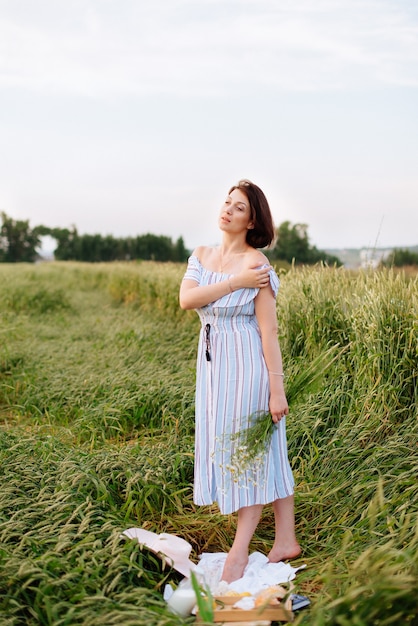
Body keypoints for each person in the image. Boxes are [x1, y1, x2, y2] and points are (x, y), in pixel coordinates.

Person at [179, 179, 300, 583]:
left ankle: (239, 552)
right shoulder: (202, 254)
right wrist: (234, 284)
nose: (228, 210)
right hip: (213, 368)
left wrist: (276, 389)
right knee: (265, 449)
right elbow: (187, 300)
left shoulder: (258, 265)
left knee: (246, 452)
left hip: (247, 366)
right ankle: (286, 539)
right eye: (227, 202)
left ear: (252, 221)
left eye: (239, 207)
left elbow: (269, 332)